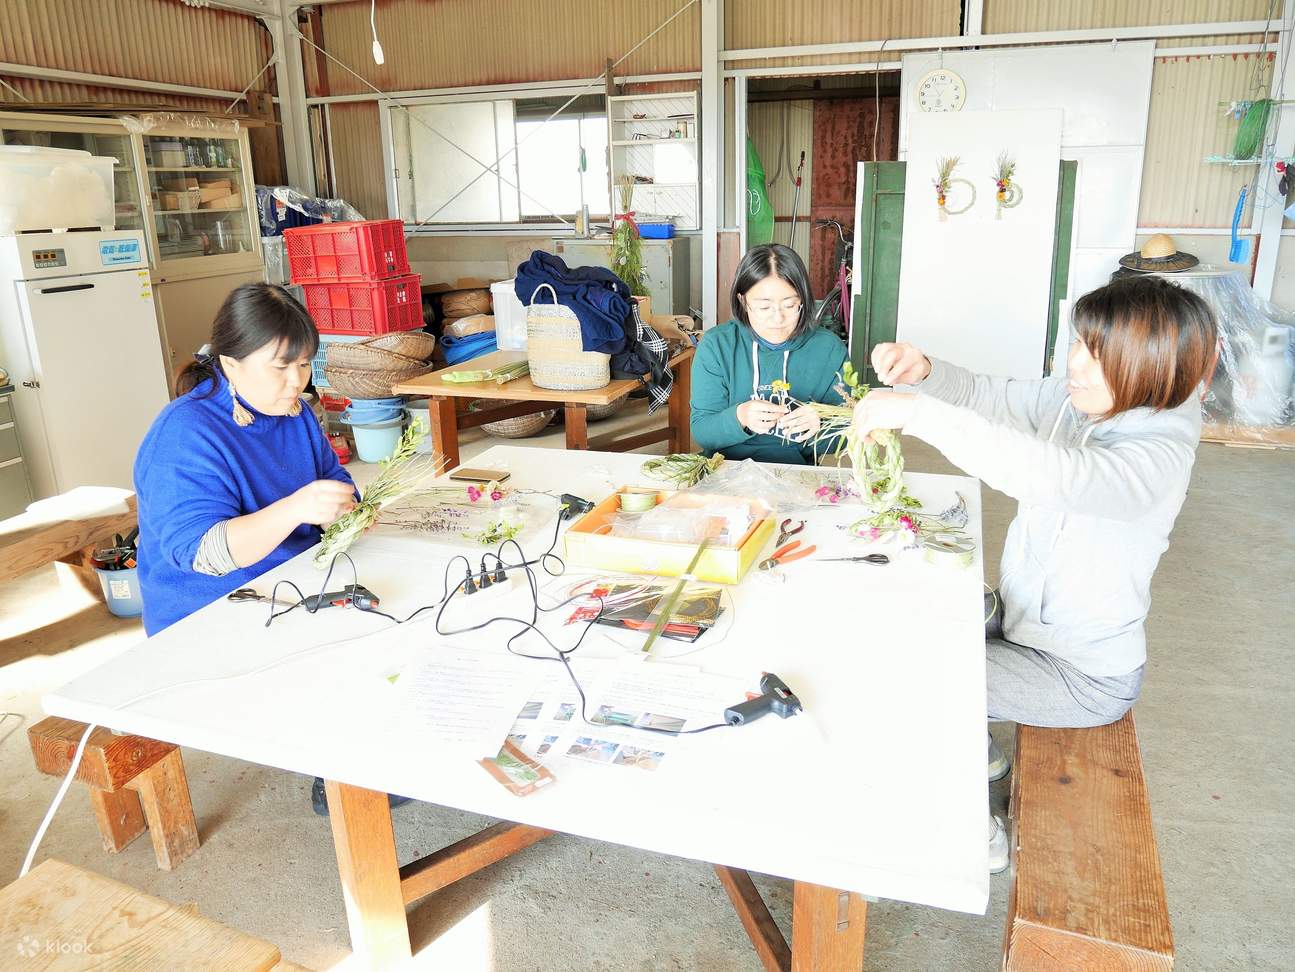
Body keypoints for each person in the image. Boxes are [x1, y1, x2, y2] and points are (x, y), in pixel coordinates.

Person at [852, 275, 1217, 872]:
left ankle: (973, 836)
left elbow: (1052, 475)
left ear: (1151, 366)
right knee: (911, 612)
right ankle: (982, 756)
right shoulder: (1089, 401)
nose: (1074, 364)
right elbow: (996, 397)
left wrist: (921, 416)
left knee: (911, 677)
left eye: (1096, 355)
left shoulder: (1158, 455)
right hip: (1026, 624)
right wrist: (926, 374)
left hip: (1081, 674)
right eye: (1079, 344)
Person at [134, 283, 356, 637]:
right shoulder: (184, 433)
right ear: (230, 364)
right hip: (208, 614)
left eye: (303, 364)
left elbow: (333, 477)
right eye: (280, 367)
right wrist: (294, 509)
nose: (297, 381)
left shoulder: (293, 412)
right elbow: (202, 553)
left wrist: (344, 512)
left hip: (291, 585)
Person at [691, 244, 848, 464]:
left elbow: (848, 433)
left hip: (796, 471)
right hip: (724, 467)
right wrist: (740, 417)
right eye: (764, 308)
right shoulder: (717, 345)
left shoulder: (828, 349)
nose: (778, 319)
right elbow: (702, 432)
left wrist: (820, 425)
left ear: (803, 300)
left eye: (790, 305)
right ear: (743, 301)